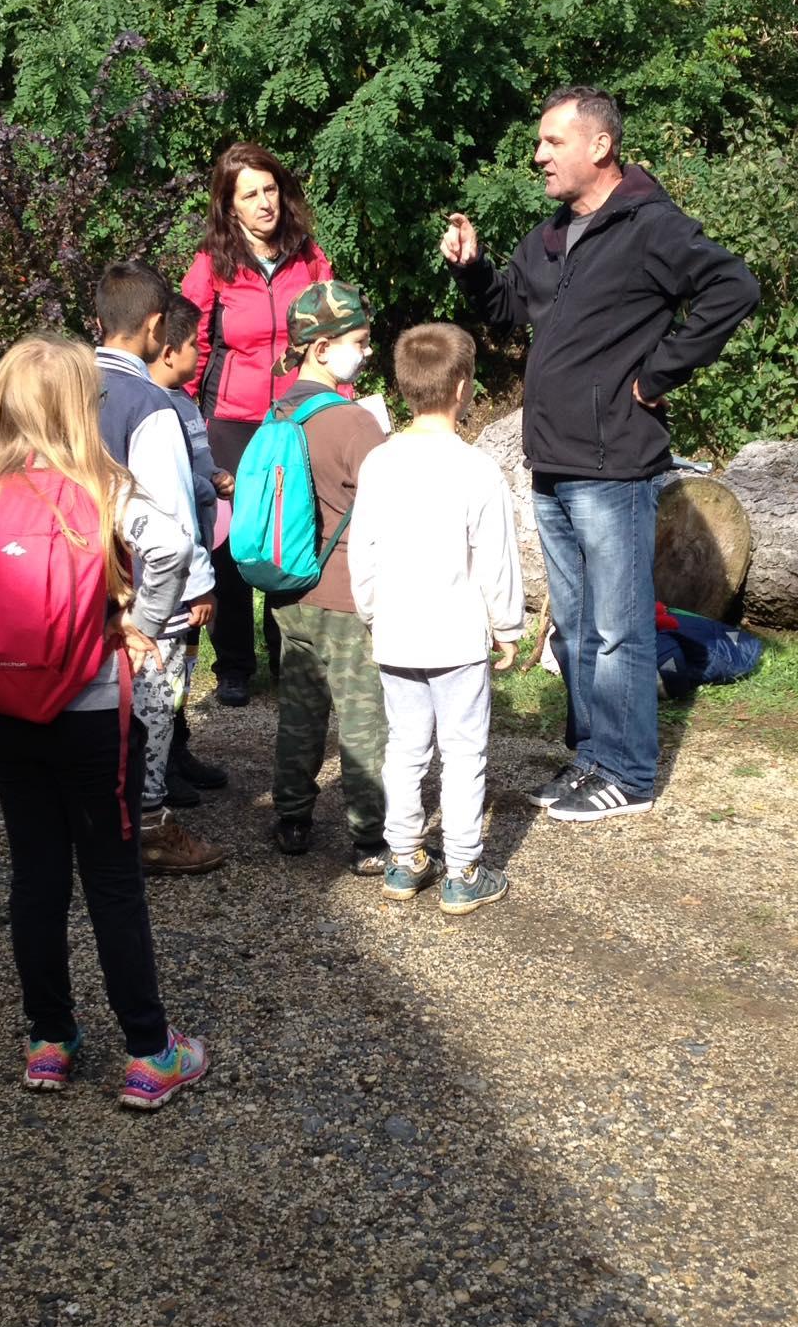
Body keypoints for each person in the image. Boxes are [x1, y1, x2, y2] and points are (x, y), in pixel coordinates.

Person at [0, 333, 211, 1105]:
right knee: (113, 879)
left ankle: (49, 1041)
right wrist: (143, 626)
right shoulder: (103, 487)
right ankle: (150, 1052)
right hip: (95, 712)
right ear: (81, 406)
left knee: (36, 875)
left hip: (7, 708)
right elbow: (172, 546)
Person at [442, 87, 759, 821]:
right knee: (579, 626)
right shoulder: (550, 237)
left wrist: (659, 374)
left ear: (600, 145)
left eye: (553, 142)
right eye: (540, 143)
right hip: (552, 462)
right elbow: (506, 311)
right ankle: (592, 757)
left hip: (614, 464)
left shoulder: (651, 226)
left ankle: (629, 774)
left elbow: (733, 287)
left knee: (619, 629)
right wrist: (473, 268)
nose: (538, 156)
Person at [349, 323, 524, 914]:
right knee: (464, 751)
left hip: (397, 633)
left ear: (403, 388)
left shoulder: (379, 463)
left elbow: (363, 551)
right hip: (456, 638)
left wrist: (371, 613)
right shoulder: (476, 469)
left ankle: (404, 859)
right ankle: (464, 868)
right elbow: (496, 559)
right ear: (463, 387)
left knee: (405, 748)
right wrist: (508, 626)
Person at [181, 142, 334, 705]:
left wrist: (337, 403)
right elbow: (191, 344)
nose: (265, 202)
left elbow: (334, 334)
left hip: (296, 418)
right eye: (250, 194)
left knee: (289, 533)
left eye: (270, 189)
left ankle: (287, 655)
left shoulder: (308, 255)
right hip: (229, 421)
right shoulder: (211, 264)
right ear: (230, 205)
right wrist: (184, 417)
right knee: (230, 544)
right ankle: (234, 666)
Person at [93, 261, 226, 876]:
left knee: (99, 703)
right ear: (154, 327)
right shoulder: (149, 402)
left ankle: (101, 815)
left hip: (84, 580)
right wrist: (197, 585)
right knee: (152, 700)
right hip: (149, 585)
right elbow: (169, 508)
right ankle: (147, 824)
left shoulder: (66, 383)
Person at [268, 282, 388, 872]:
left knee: (300, 711)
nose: (365, 353)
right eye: (358, 342)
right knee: (363, 719)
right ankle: (369, 838)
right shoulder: (355, 422)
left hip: (291, 589)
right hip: (345, 593)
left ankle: (292, 818)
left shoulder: (278, 411)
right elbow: (391, 508)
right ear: (321, 348)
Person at [148, 294, 232, 810]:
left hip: (197, 546)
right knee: (164, 670)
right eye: (195, 346)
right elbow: (170, 484)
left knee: (185, 665)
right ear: (168, 349)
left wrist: (215, 475)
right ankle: (159, 765)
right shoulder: (152, 406)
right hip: (172, 564)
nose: (203, 355)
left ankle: (178, 748)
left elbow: (196, 463)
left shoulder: (183, 400)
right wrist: (204, 485)